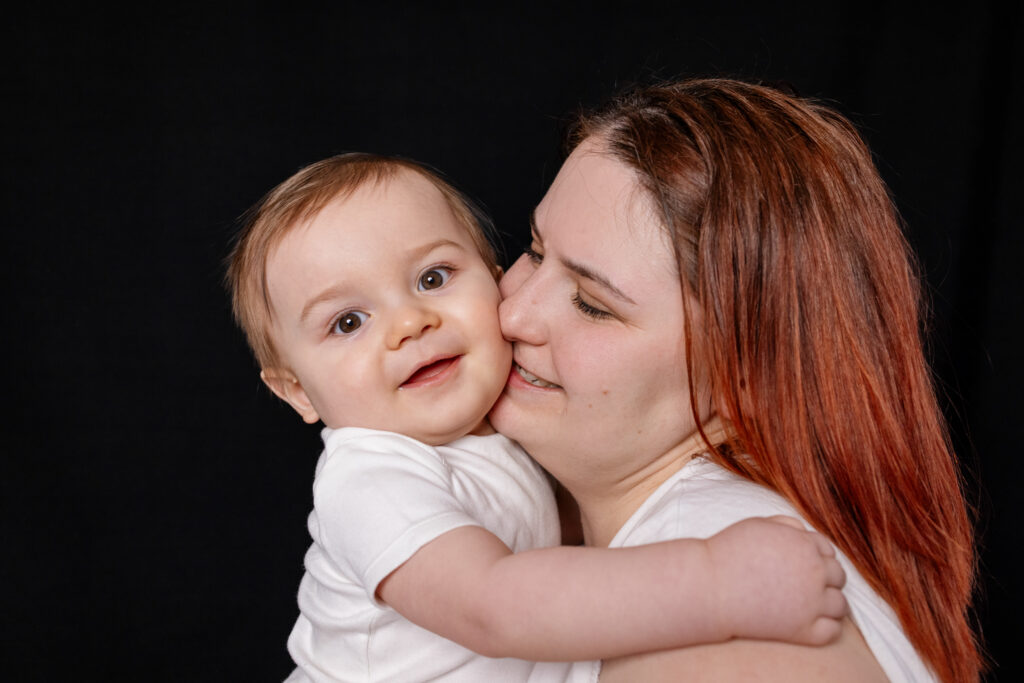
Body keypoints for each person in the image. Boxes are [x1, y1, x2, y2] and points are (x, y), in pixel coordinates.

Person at [225, 152, 849, 682]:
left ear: (496, 280)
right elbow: (492, 606)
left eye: (433, 278)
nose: (410, 323)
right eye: (347, 322)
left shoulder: (509, 436)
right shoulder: (369, 481)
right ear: (297, 392)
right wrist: (716, 585)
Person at [491, 78, 982, 683]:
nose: (512, 313)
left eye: (593, 304)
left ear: (743, 377)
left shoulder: (720, 625)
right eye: (535, 252)